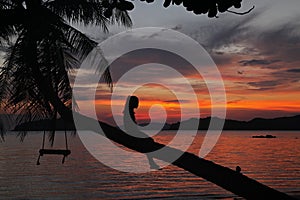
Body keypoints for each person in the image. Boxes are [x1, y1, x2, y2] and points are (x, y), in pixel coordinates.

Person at [123, 96, 160, 170]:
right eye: (137, 102)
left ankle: (152, 163)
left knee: (148, 142)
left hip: (133, 132)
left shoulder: (129, 111)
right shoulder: (129, 112)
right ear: (133, 103)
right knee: (149, 141)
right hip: (133, 132)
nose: (138, 104)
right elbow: (130, 126)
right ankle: (152, 163)